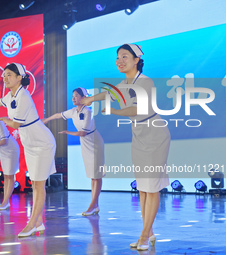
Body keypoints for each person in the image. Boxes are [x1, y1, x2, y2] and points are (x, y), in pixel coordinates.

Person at [81, 44, 170, 250]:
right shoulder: (125, 82)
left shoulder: (145, 82)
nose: (120, 60)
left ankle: (144, 237)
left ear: (136, 60)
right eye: (118, 57)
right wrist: (88, 99)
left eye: (125, 57)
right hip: (139, 136)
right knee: (142, 188)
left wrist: (113, 111)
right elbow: (107, 94)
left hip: (155, 136)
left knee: (152, 187)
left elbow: (137, 109)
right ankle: (149, 232)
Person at [0, 63, 56, 237]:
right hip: (30, 144)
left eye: (9, 75)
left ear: (20, 77)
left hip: (42, 143)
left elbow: (15, 123)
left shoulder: (24, 96)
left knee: (39, 184)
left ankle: (32, 223)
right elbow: (1, 101)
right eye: (4, 75)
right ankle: (39, 222)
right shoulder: (11, 94)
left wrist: (3, 119)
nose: (5, 78)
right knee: (34, 183)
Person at [42, 87, 104, 216]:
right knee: (92, 176)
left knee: (96, 176)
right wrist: (47, 119)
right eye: (72, 96)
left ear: (84, 97)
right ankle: (95, 205)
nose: (74, 98)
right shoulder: (73, 111)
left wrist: (67, 132)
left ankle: (92, 205)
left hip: (94, 142)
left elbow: (83, 132)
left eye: (76, 95)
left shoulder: (88, 111)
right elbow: (59, 115)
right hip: (85, 143)